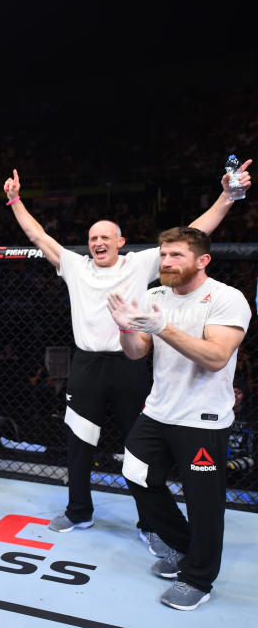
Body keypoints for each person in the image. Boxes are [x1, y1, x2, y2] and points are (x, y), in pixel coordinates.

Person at [3, 163, 251, 548]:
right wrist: (15, 199)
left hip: (131, 360)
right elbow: (39, 236)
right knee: (78, 441)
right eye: (92, 237)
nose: (97, 242)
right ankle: (78, 511)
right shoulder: (74, 266)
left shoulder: (142, 263)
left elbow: (195, 234)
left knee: (140, 449)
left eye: (105, 236)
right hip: (86, 363)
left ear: (121, 242)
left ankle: (150, 524)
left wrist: (227, 196)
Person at [108, 226, 250, 611]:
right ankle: (184, 546)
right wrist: (125, 327)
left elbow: (216, 356)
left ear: (202, 260)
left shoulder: (225, 299)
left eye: (176, 256)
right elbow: (137, 352)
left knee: (204, 504)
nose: (166, 263)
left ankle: (198, 578)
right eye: (164, 255)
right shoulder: (156, 295)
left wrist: (163, 327)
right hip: (158, 410)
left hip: (202, 418)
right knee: (137, 474)